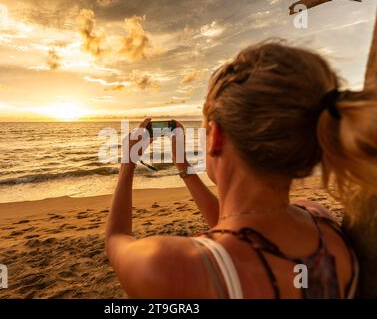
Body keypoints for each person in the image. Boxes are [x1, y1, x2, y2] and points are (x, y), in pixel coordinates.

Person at [105, 42, 377, 298]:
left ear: (216, 137)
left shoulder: (173, 267)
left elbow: (117, 239)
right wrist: (185, 168)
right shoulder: (321, 220)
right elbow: (235, 225)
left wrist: (128, 163)